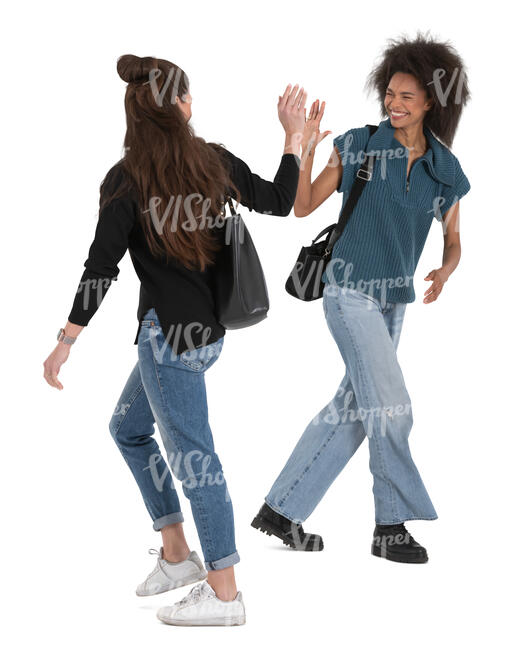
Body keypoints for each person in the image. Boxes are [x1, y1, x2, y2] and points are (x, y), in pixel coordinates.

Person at [43, 54, 306, 625]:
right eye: (188, 96)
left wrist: (66, 339)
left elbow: (100, 267)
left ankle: (226, 593)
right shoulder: (210, 160)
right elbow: (280, 200)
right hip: (207, 334)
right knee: (129, 428)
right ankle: (177, 553)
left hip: (168, 342)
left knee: (197, 461)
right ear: (180, 106)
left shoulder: (125, 181)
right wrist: (293, 139)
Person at [252, 33, 471, 564]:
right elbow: (302, 206)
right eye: (390, 94)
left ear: (432, 103)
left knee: (355, 407)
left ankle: (282, 509)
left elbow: (455, 236)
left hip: (395, 301)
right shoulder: (359, 144)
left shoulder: (445, 168)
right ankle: (389, 526)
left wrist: (446, 267)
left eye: (407, 97)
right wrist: (302, 150)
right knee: (392, 408)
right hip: (349, 293)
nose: (394, 105)